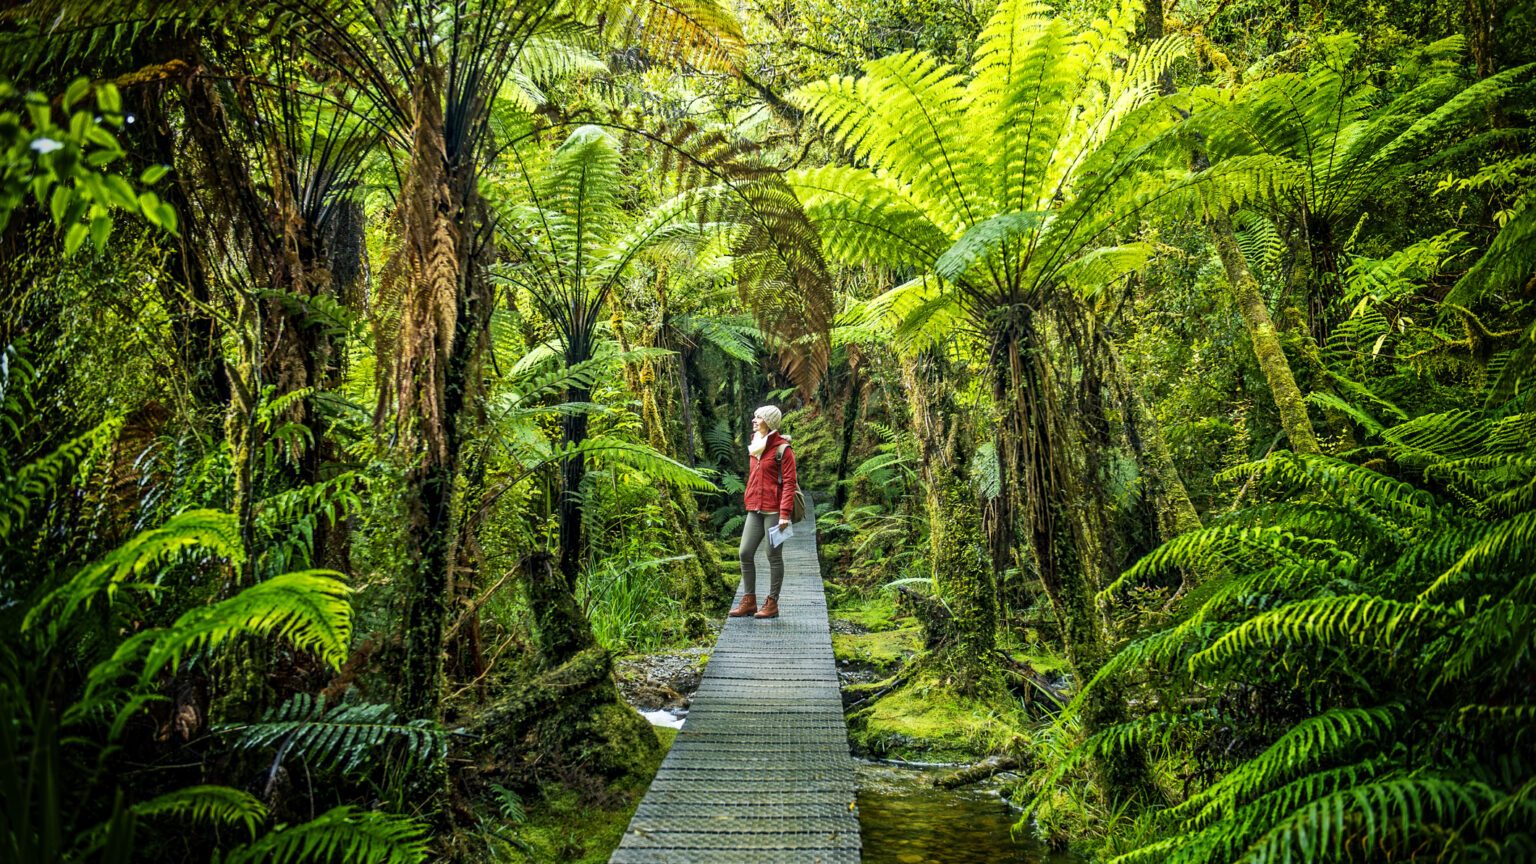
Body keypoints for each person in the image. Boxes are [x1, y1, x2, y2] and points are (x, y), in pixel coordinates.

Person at [731, 404, 798, 619]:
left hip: (774, 511)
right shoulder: (755, 445)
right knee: (744, 552)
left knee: (773, 555)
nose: (754, 420)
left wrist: (784, 514)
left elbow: (789, 483)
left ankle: (772, 602)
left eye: (758, 417)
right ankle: (749, 600)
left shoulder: (782, 449)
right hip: (754, 508)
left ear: (768, 421)